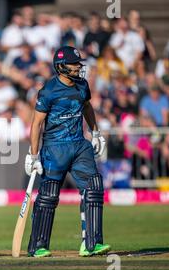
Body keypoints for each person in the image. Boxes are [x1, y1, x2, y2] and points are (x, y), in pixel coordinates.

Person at [25, 46, 111, 258]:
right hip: (55, 148)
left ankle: (91, 244)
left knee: (94, 187)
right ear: (61, 66)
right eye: (74, 64)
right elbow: (36, 124)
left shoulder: (82, 85)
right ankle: (38, 246)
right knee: (49, 196)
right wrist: (34, 155)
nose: (79, 68)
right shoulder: (48, 91)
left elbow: (87, 107)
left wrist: (96, 132)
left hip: (79, 145)